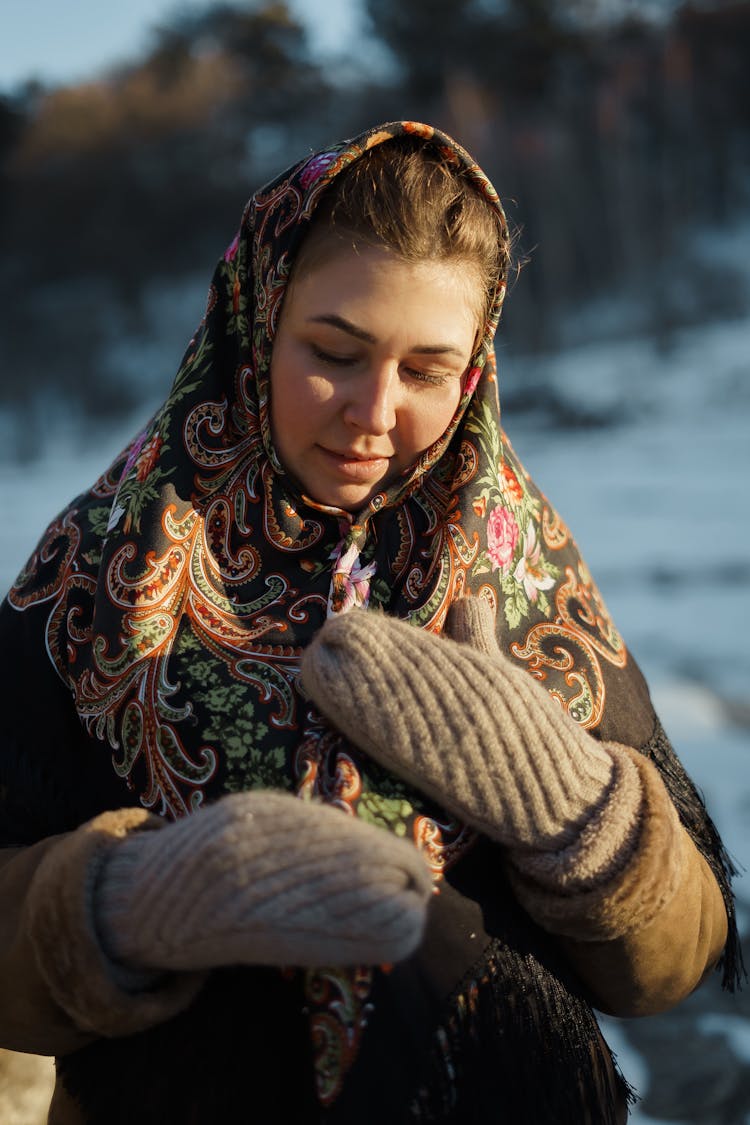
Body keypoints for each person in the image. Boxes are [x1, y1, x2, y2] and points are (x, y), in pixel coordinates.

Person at [0, 121, 741, 1125]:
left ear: (472, 371)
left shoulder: (520, 568)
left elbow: (676, 965)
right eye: (335, 352)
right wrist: (123, 905)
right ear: (257, 321)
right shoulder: (103, 570)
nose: (373, 411)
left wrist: (579, 811)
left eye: (426, 370)